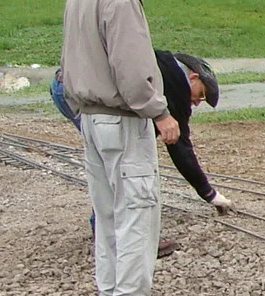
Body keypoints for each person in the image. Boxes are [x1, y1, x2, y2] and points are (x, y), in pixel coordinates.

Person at [60, 0, 181, 296]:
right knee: (137, 205)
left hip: (90, 117)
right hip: (122, 118)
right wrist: (158, 111)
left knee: (107, 208)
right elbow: (130, 66)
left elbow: (68, 62)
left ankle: (110, 294)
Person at [50, 50, 235, 254]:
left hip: (69, 85)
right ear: (193, 76)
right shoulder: (175, 84)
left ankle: (108, 235)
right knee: (122, 162)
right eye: (201, 94)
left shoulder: (164, 64)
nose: (197, 102)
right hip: (84, 94)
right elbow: (180, 147)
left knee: (110, 161)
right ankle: (125, 240)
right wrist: (209, 194)